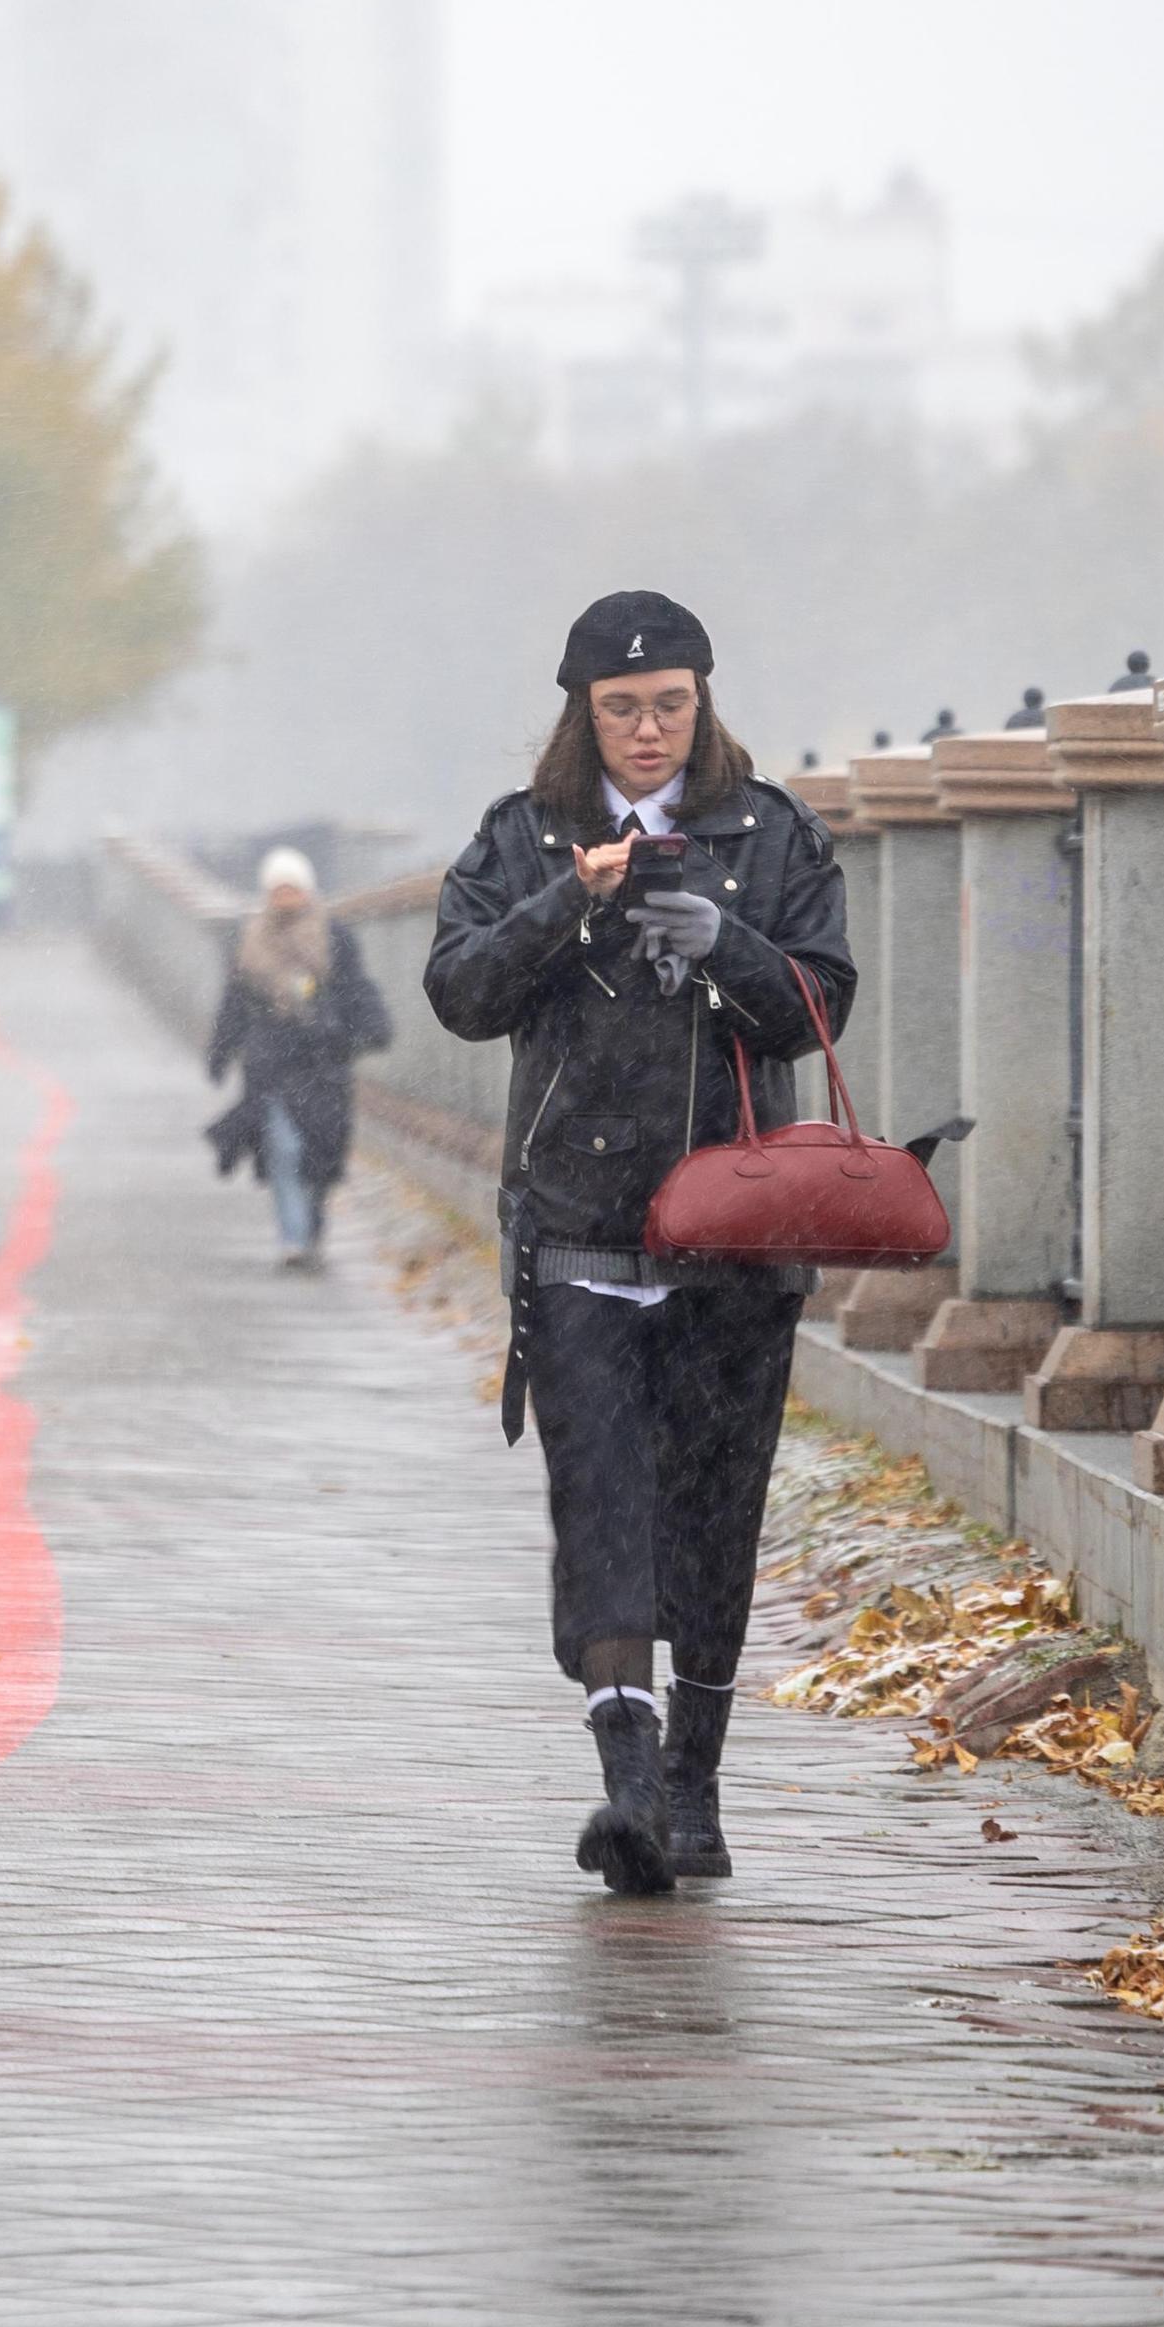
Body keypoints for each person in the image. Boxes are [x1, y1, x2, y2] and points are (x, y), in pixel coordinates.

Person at [424, 588, 854, 1898]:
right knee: (602, 1509)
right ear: (583, 714)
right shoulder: (525, 836)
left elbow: (818, 1007)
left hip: (734, 1235)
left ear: (703, 699)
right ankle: (628, 1781)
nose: (649, 728)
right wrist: (569, 901)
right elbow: (458, 993)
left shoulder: (767, 832)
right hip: (576, 1236)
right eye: (622, 708)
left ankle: (696, 1781)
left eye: (670, 702)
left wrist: (726, 941)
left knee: (712, 1514)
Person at [203, 848, 389, 1270]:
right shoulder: (247, 940)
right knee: (282, 1149)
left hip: (323, 1065)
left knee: (319, 1153)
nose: (285, 896)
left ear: (306, 890)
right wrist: (221, 1051)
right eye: (278, 889)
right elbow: (234, 1003)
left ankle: (312, 1226)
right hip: (271, 1065)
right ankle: (294, 1237)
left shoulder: (335, 937)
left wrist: (363, 1030)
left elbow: (357, 990)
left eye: (292, 888)